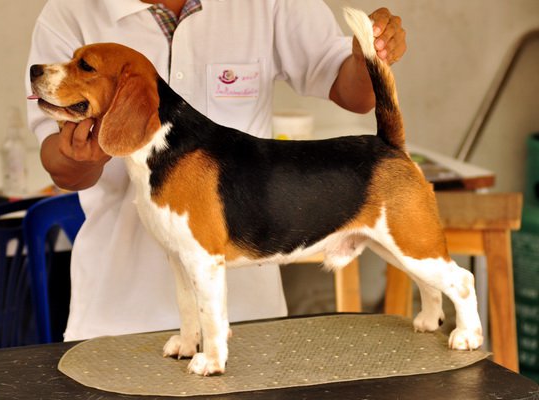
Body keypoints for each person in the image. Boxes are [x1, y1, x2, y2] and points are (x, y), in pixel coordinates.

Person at [26, 0, 406, 342]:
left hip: (249, 316)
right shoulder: (69, 11)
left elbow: (354, 92)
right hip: (118, 317)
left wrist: (368, 59)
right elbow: (63, 170)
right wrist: (81, 156)